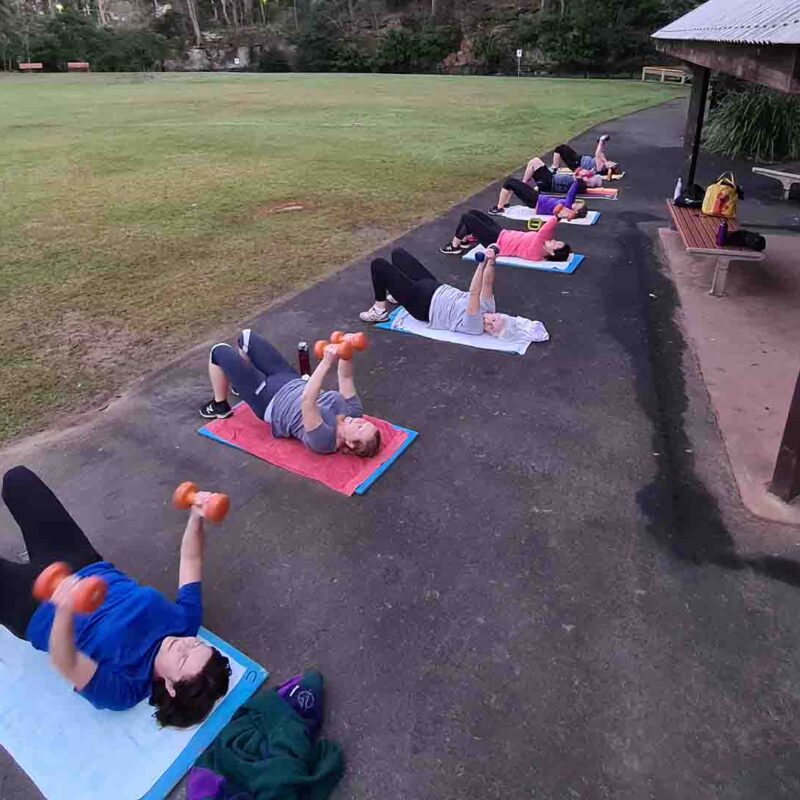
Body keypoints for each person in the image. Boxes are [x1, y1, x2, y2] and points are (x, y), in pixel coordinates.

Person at [0, 465, 231, 726]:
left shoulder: (124, 690)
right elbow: (191, 559)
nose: (184, 645)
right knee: (18, 481)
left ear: (171, 687)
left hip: (34, 610)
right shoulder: (186, 623)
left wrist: (64, 608)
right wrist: (196, 515)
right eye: (195, 645)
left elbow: (66, 661)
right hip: (83, 563)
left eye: (183, 659)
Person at [199, 329, 381, 458]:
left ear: (350, 443)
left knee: (219, 351)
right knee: (246, 337)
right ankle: (241, 386)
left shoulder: (324, 441)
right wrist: (347, 348)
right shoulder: (354, 412)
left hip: (269, 400)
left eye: (360, 428)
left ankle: (220, 405)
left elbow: (307, 401)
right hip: (289, 379)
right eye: (365, 423)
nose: (359, 421)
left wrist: (326, 362)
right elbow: (346, 377)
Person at [359, 247, 510, 336]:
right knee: (398, 254)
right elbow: (487, 283)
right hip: (435, 287)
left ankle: (379, 311)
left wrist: (481, 265)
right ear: (497, 315)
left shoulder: (475, 326)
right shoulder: (489, 307)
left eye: (490, 328)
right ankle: (399, 294)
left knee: (379, 265)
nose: (489, 323)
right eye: (494, 321)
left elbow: (474, 292)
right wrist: (491, 261)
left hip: (422, 305)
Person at [440, 210, 571, 263]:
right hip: (501, 233)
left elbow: (544, 230)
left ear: (552, 253)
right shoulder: (543, 243)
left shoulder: (537, 252)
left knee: (467, 217)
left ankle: (454, 246)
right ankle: (464, 241)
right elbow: (548, 232)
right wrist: (559, 218)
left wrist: (557, 217)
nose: (554, 240)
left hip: (496, 242)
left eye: (556, 244)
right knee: (473, 213)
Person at [489, 178, 589, 221]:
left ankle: (499, 208)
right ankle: (505, 204)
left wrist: (578, 179)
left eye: (577, 205)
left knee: (509, 183)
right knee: (512, 185)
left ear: (576, 211)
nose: (576, 203)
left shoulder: (568, 206)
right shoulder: (569, 207)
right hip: (537, 199)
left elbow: (571, 192)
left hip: (535, 200)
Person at [551, 134, 620, 176]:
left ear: (609, 167)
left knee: (559, 149)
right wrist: (601, 142)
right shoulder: (604, 162)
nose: (611, 162)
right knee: (563, 147)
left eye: (612, 164)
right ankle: (555, 167)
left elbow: (597, 154)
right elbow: (601, 153)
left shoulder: (601, 167)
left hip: (576, 164)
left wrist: (601, 141)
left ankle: (554, 168)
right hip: (578, 159)